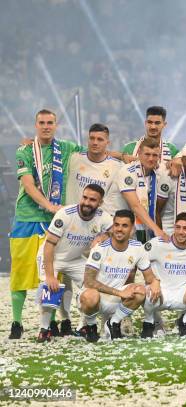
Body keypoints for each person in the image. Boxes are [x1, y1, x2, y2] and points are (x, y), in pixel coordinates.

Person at [9, 109, 84, 339]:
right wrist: (49, 205)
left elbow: (95, 153)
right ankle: (16, 322)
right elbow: (29, 184)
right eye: (41, 122)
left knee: (53, 273)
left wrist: (124, 156)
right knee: (20, 272)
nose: (46, 126)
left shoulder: (67, 148)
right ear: (35, 125)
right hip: (27, 218)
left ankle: (50, 322)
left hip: (54, 221)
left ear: (56, 125)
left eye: (50, 122)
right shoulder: (25, 150)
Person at [34, 184, 113, 342]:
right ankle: (44, 330)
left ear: (100, 203)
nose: (86, 202)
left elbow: (114, 231)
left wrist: (102, 237)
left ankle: (86, 326)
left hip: (75, 259)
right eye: (85, 197)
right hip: (52, 256)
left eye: (92, 200)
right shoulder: (65, 214)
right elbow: (49, 245)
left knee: (92, 287)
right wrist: (50, 276)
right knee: (49, 288)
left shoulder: (103, 217)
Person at [79, 210, 160, 342]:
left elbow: (149, 278)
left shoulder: (138, 248)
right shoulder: (100, 248)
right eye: (116, 225)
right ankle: (90, 326)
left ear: (132, 229)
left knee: (140, 291)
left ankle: (113, 323)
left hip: (117, 298)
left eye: (124, 226)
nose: (119, 229)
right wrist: (118, 293)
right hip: (95, 297)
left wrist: (156, 282)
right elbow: (89, 282)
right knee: (90, 296)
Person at [142, 213, 186, 338]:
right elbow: (137, 257)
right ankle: (150, 322)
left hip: (183, 292)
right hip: (160, 292)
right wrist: (153, 280)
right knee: (144, 293)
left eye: (185, 228)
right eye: (178, 227)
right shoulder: (158, 243)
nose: (180, 232)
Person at [104, 137, 171, 242]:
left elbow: (177, 162)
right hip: (111, 224)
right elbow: (135, 206)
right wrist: (157, 230)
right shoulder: (128, 171)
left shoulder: (157, 171)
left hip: (131, 224)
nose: (151, 159)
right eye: (147, 154)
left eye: (155, 155)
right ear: (139, 153)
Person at [65, 123, 122, 212]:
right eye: (92, 138)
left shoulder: (117, 167)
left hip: (97, 222)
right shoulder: (73, 158)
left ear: (107, 143)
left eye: (100, 139)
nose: (95, 142)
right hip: (71, 219)